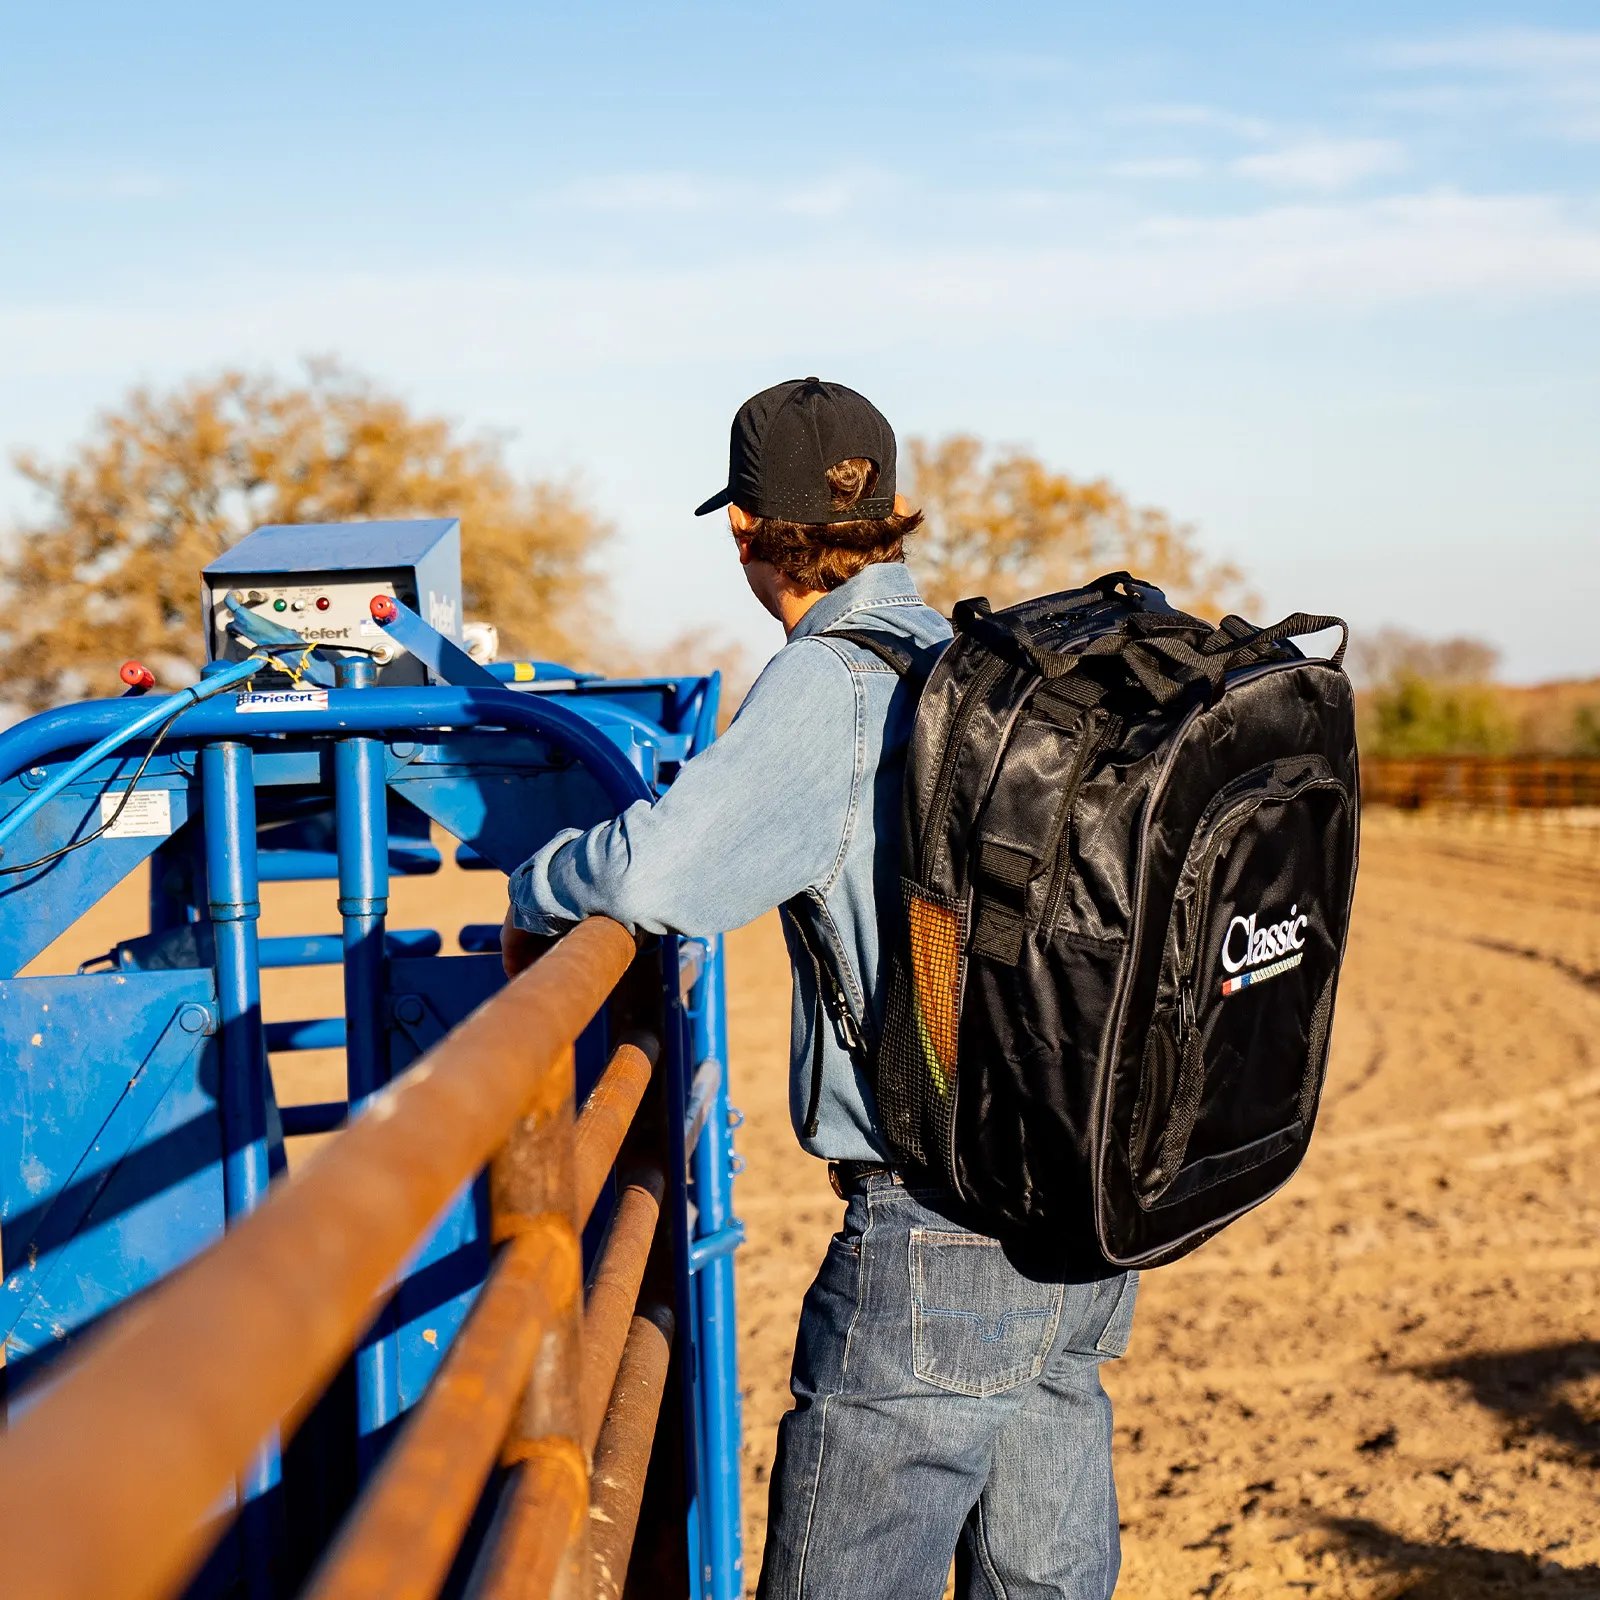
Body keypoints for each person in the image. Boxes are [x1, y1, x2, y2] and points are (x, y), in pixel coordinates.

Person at [501, 377, 1138, 1600]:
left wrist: (531, 889)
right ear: (889, 513)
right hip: (1067, 1208)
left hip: (936, 1231)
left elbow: (653, 876)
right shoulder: (965, 663)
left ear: (744, 531)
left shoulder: (828, 685)